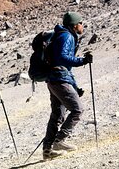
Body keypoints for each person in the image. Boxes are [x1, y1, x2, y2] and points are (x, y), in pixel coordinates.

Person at [42, 12, 93, 160]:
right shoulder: (67, 37)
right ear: (75, 25)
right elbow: (62, 58)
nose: (82, 25)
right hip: (60, 80)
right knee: (77, 110)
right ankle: (59, 141)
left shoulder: (62, 35)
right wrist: (82, 61)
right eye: (81, 22)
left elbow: (62, 64)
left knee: (57, 115)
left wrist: (75, 88)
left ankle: (47, 150)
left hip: (54, 80)